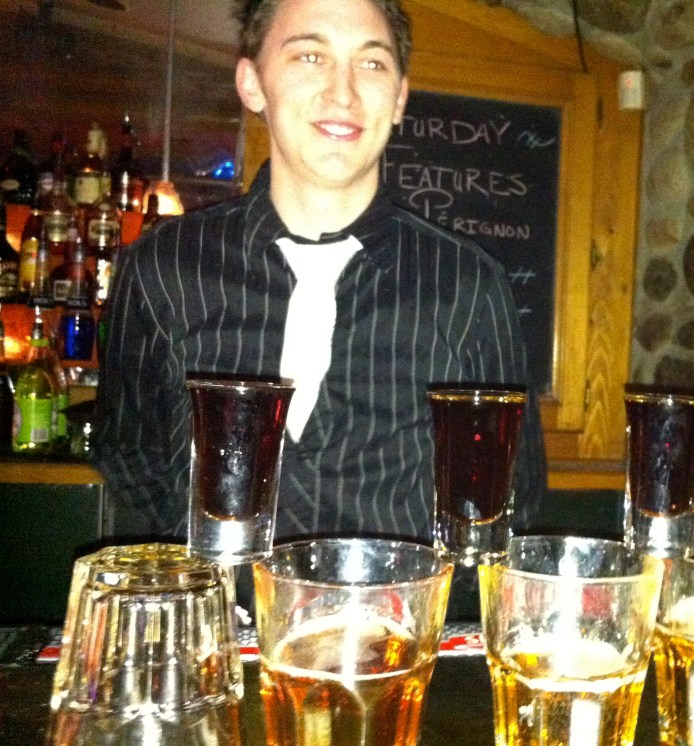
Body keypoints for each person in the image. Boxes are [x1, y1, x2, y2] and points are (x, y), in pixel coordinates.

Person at [93, 0, 546, 565]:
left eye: (372, 63)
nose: (343, 93)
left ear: (399, 98)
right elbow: (131, 464)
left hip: (402, 622)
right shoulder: (162, 269)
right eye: (310, 56)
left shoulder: (470, 287)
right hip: (218, 620)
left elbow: (513, 502)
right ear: (252, 83)